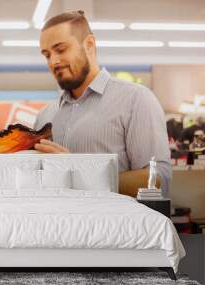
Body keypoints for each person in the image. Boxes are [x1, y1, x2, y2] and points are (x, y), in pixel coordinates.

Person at [33, 11, 172, 196]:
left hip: (116, 224)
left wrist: (77, 172)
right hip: (59, 222)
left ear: (89, 45)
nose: (53, 61)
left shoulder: (136, 100)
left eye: (60, 49)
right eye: (47, 54)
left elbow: (158, 180)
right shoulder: (45, 116)